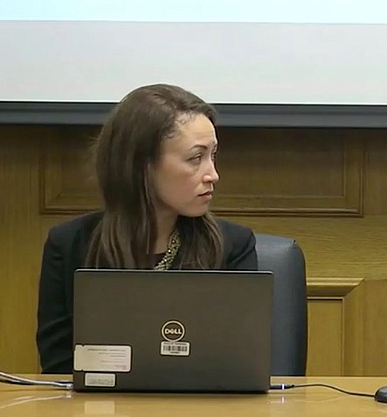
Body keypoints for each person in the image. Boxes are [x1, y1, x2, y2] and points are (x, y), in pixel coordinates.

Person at [36, 83, 257, 373]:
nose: (212, 174)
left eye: (212, 155)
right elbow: (59, 368)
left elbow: (242, 364)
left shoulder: (233, 246)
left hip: (202, 413)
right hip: (101, 414)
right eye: (195, 158)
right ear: (142, 165)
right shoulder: (69, 245)